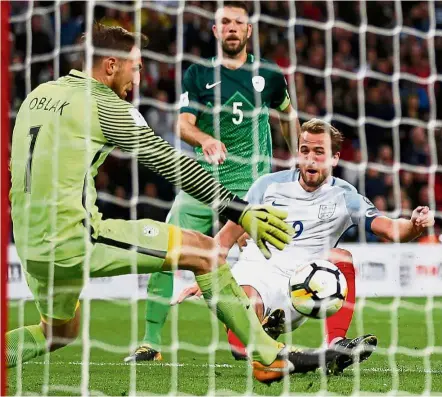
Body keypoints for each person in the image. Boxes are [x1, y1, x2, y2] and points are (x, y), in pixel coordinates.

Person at [6, 23, 348, 385]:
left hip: (28, 242)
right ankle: (267, 356)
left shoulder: (39, 94)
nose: (138, 79)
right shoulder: (103, 105)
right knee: (204, 252)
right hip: (73, 239)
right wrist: (241, 211)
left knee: (58, 332)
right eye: (135, 67)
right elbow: (172, 164)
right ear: (110, 66)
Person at [174, 118, 435, 372]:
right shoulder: (267, 186)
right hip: (257, 274)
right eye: (305, 150)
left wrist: (415, 224)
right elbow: (227, 237)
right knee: (246, 311)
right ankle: (253, 338)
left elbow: (391, 229)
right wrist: (207, 275)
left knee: (340, 255)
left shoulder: (345, 197)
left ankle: (335, 345)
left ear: (335, 158)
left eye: (319, 152)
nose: (310, 158)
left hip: (304, 287)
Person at [127, 0, 301, 363]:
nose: (232, 28)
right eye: (225, 22)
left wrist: (298, 158)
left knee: (263, 267)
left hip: (251, 190)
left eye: (239, 22)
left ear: (249, 30)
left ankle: (264, 333)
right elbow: (183, 124)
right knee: (164, 252)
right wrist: (204, 140)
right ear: (215, 30)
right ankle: (150, 342)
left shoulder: (269, 73)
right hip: (203, 186)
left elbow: (287, 117)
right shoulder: (198, 74)